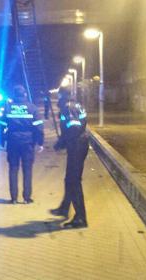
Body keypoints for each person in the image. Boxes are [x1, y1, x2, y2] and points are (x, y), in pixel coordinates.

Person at [0, 85, 44, 204]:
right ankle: (26, 198)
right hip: (28, 143)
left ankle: (13, 198)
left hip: (12, 142)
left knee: (13, 169)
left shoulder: (8, 108)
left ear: (14, 95)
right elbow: (39, 127)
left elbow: (1, 125)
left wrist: (1, 142)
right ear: (25, 94)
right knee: (27, 170)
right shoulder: (32, 108)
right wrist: (40, 142)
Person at [51, 88, 89, 228]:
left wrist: (61, 143)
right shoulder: (76, 105)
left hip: (77, 146)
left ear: (62, 96)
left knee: (74, 181)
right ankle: (64, 208)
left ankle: (81, 218)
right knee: (69, 179)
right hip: (78, 144)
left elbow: (73, 128)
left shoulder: (68, 108)